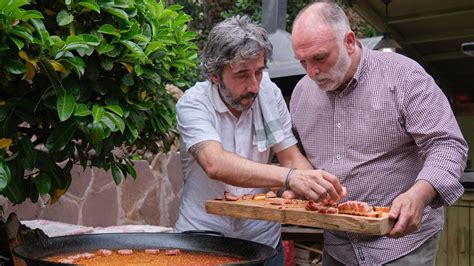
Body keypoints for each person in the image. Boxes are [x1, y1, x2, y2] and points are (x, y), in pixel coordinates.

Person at [289, 2, 469, 265]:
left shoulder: (403, 75)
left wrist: (420, 193)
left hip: (401, 244)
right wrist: (298, 185)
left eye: (319, 58)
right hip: (337, 246)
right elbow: (297, 157)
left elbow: (447, 144)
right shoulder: (301, 94)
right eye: (302, 61)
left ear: (349, 41)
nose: (311, 72)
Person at [174, 15, 346, 265]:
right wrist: (289, 178)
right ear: (214, 75)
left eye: (259, 71)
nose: (254, 85)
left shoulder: (268, 92)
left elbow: (290, 156)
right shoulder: (193, 103)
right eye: (242, 74)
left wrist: (313, 185)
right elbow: (215, 164)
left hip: (263, 239)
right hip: (204, 236)